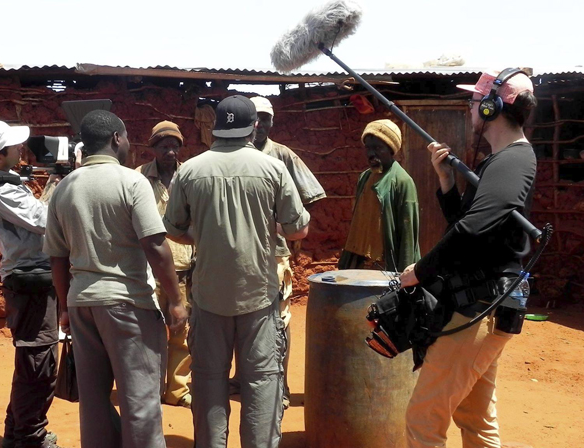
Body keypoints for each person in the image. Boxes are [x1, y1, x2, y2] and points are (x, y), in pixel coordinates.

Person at [399, 69, 538, 448]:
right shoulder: (501, 161)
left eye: (475, 100)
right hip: (483, 304)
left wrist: (421, 272)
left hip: (478, 306)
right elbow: (471, 223)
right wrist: (446, 182)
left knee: (423, 418)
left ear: (494, 107)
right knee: (475, 418)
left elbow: (470, 231)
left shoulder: (512, 161)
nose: (470, 107)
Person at [164, 95, 310, 448]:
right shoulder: (272, 169)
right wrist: (265, 226)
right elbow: (298, 229)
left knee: (208, 381)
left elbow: (171, 227)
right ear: (253, 126)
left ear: (215, 126)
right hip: (258, 296)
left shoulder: (190, 170)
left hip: (208, 295)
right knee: (261, 382)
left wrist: (201, 233)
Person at [43, 110, 188, 448]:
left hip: (82, 305)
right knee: (140, 400)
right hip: (127, 304)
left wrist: (65, 307)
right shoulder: (131, 181)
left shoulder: (64, 187)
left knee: (93, 401)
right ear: (116, 139)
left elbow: (57, 257)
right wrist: (177, 300)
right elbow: (155, 244)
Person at [230, 96, 326, 409]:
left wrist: (284, 222)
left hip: (274, 256)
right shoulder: (232, 155)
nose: (259, 124)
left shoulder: (281, 155)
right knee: (237, 315)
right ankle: (240, 377)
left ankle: (280, 384)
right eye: (254, 118)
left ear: (273, 122)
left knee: (279, 320)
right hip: (238, 252)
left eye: (265, 119)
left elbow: (311, 194)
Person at [0, 120, 61, 448]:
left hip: (29, 279)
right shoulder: (1, 191)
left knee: (30, 363)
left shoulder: (0, 181)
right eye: (13, 146)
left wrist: (51, 179)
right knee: (39, 365)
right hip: (31, 283)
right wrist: (60, 183)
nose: (20, 149)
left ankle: (16, 433)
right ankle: (30, 437)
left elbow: (36, 210)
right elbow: (46, 221)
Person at [136, 120, 194, 409]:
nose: (169, 151)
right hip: (148, 269)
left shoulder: (192, 175)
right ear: (153, 149)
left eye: (174, 145)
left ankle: (177, 390)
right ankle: (152, 391)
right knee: (150, 334)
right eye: (163, 146)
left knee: (181, 331)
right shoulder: (138, 177)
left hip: (185, 266)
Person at [338, 119, 421, 272]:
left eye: (377, 148)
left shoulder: (403, 182)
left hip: (386, 268)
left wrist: (404, 275)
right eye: (368, 148)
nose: (371, 153)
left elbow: (408, 235)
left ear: (391, 150)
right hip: (360, 264)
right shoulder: (365, 178)